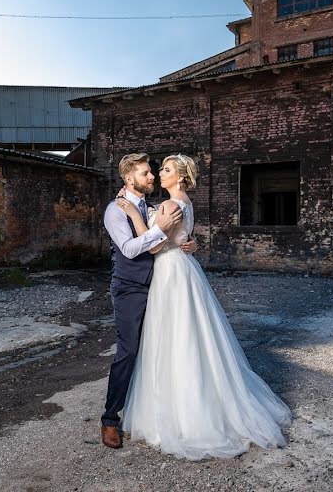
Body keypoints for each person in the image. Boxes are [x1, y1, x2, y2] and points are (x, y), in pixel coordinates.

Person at [117, 154, 291, 460]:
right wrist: (189, 240)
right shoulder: (186, 203)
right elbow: (185, 236)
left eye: (167, 170)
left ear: (181, 178)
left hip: (170, 272)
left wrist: (133, 214)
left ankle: (186, 414)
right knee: (190, 335)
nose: (161, 173)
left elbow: (155, 245)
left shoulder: (171, 205)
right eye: (160, 169)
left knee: (173, 338)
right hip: (184, 268)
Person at [100, 153, 197, 449]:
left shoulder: (153, 206)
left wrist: (190, 242)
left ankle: (161, 410)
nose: (152, 176)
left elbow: (176, 230)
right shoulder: (115, 211)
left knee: (162, 347)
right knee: (128, 352)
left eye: (154, 172)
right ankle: (109, 420)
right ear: (130, 179)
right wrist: (156, 227)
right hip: (130, 288)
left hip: (162, 283)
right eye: (146, 173)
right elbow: (130, 249)